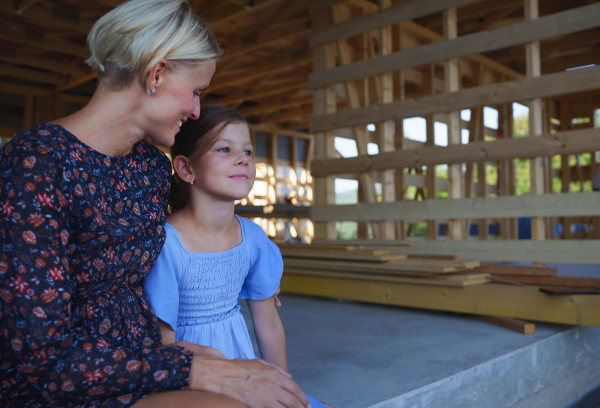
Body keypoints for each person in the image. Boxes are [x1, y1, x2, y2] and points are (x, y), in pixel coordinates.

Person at [0, 1, 309, 407]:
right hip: (72, 385)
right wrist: (189, 368)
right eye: (196, 91)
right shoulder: (36, 162)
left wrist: (248, 271)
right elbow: (41, 359)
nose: (196, 110)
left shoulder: (150, 167)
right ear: (156, 73)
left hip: (149, 360)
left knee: (272, 391)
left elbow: (195, 226)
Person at [142, 105, 331, 408]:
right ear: (186, 168)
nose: (243, 158)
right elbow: (164, 344)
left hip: (248, 370)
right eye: (224, 149)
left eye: (248, 150)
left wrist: (282, 385)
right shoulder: (167, 245)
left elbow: (268, 325)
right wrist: (223, 366)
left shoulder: (254, 239)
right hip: (194, 381)